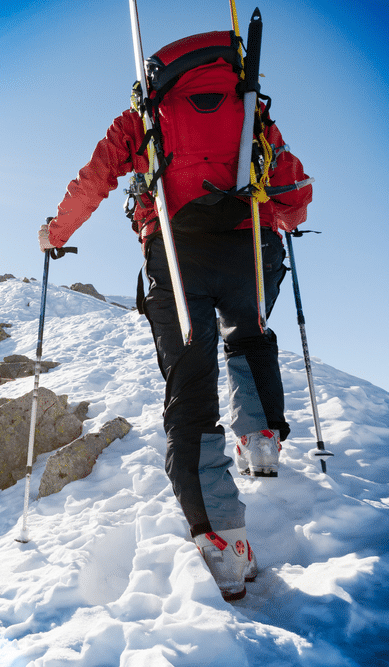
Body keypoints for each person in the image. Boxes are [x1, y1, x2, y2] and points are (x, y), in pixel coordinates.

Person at [38, 30, 312, 601]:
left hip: (176, 251)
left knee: (191, 387)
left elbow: (96, 178)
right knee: (250, 336)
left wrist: (55, 233)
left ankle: (223, 541)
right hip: (251, 246)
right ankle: (260, 437)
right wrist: (277, 216)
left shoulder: (141, 115)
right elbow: (293, 189)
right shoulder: (248, 104)